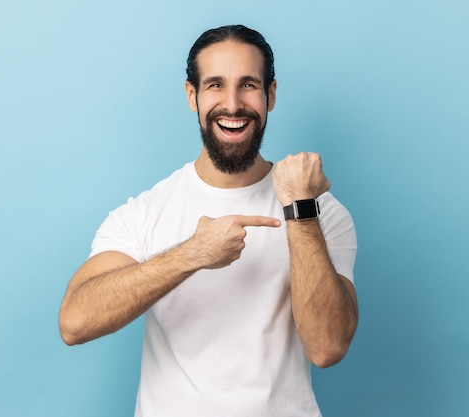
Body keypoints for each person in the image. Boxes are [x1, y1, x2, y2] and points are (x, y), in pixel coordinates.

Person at [59, 24, 358, 417]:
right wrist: (191, 254)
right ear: (192, 96)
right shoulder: (145, 212)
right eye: (215, 85)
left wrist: (299, 207)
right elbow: (75, 323)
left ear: (270, 95)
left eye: (248, 85)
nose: (232, 104)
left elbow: (327, 347)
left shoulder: (319, 212)